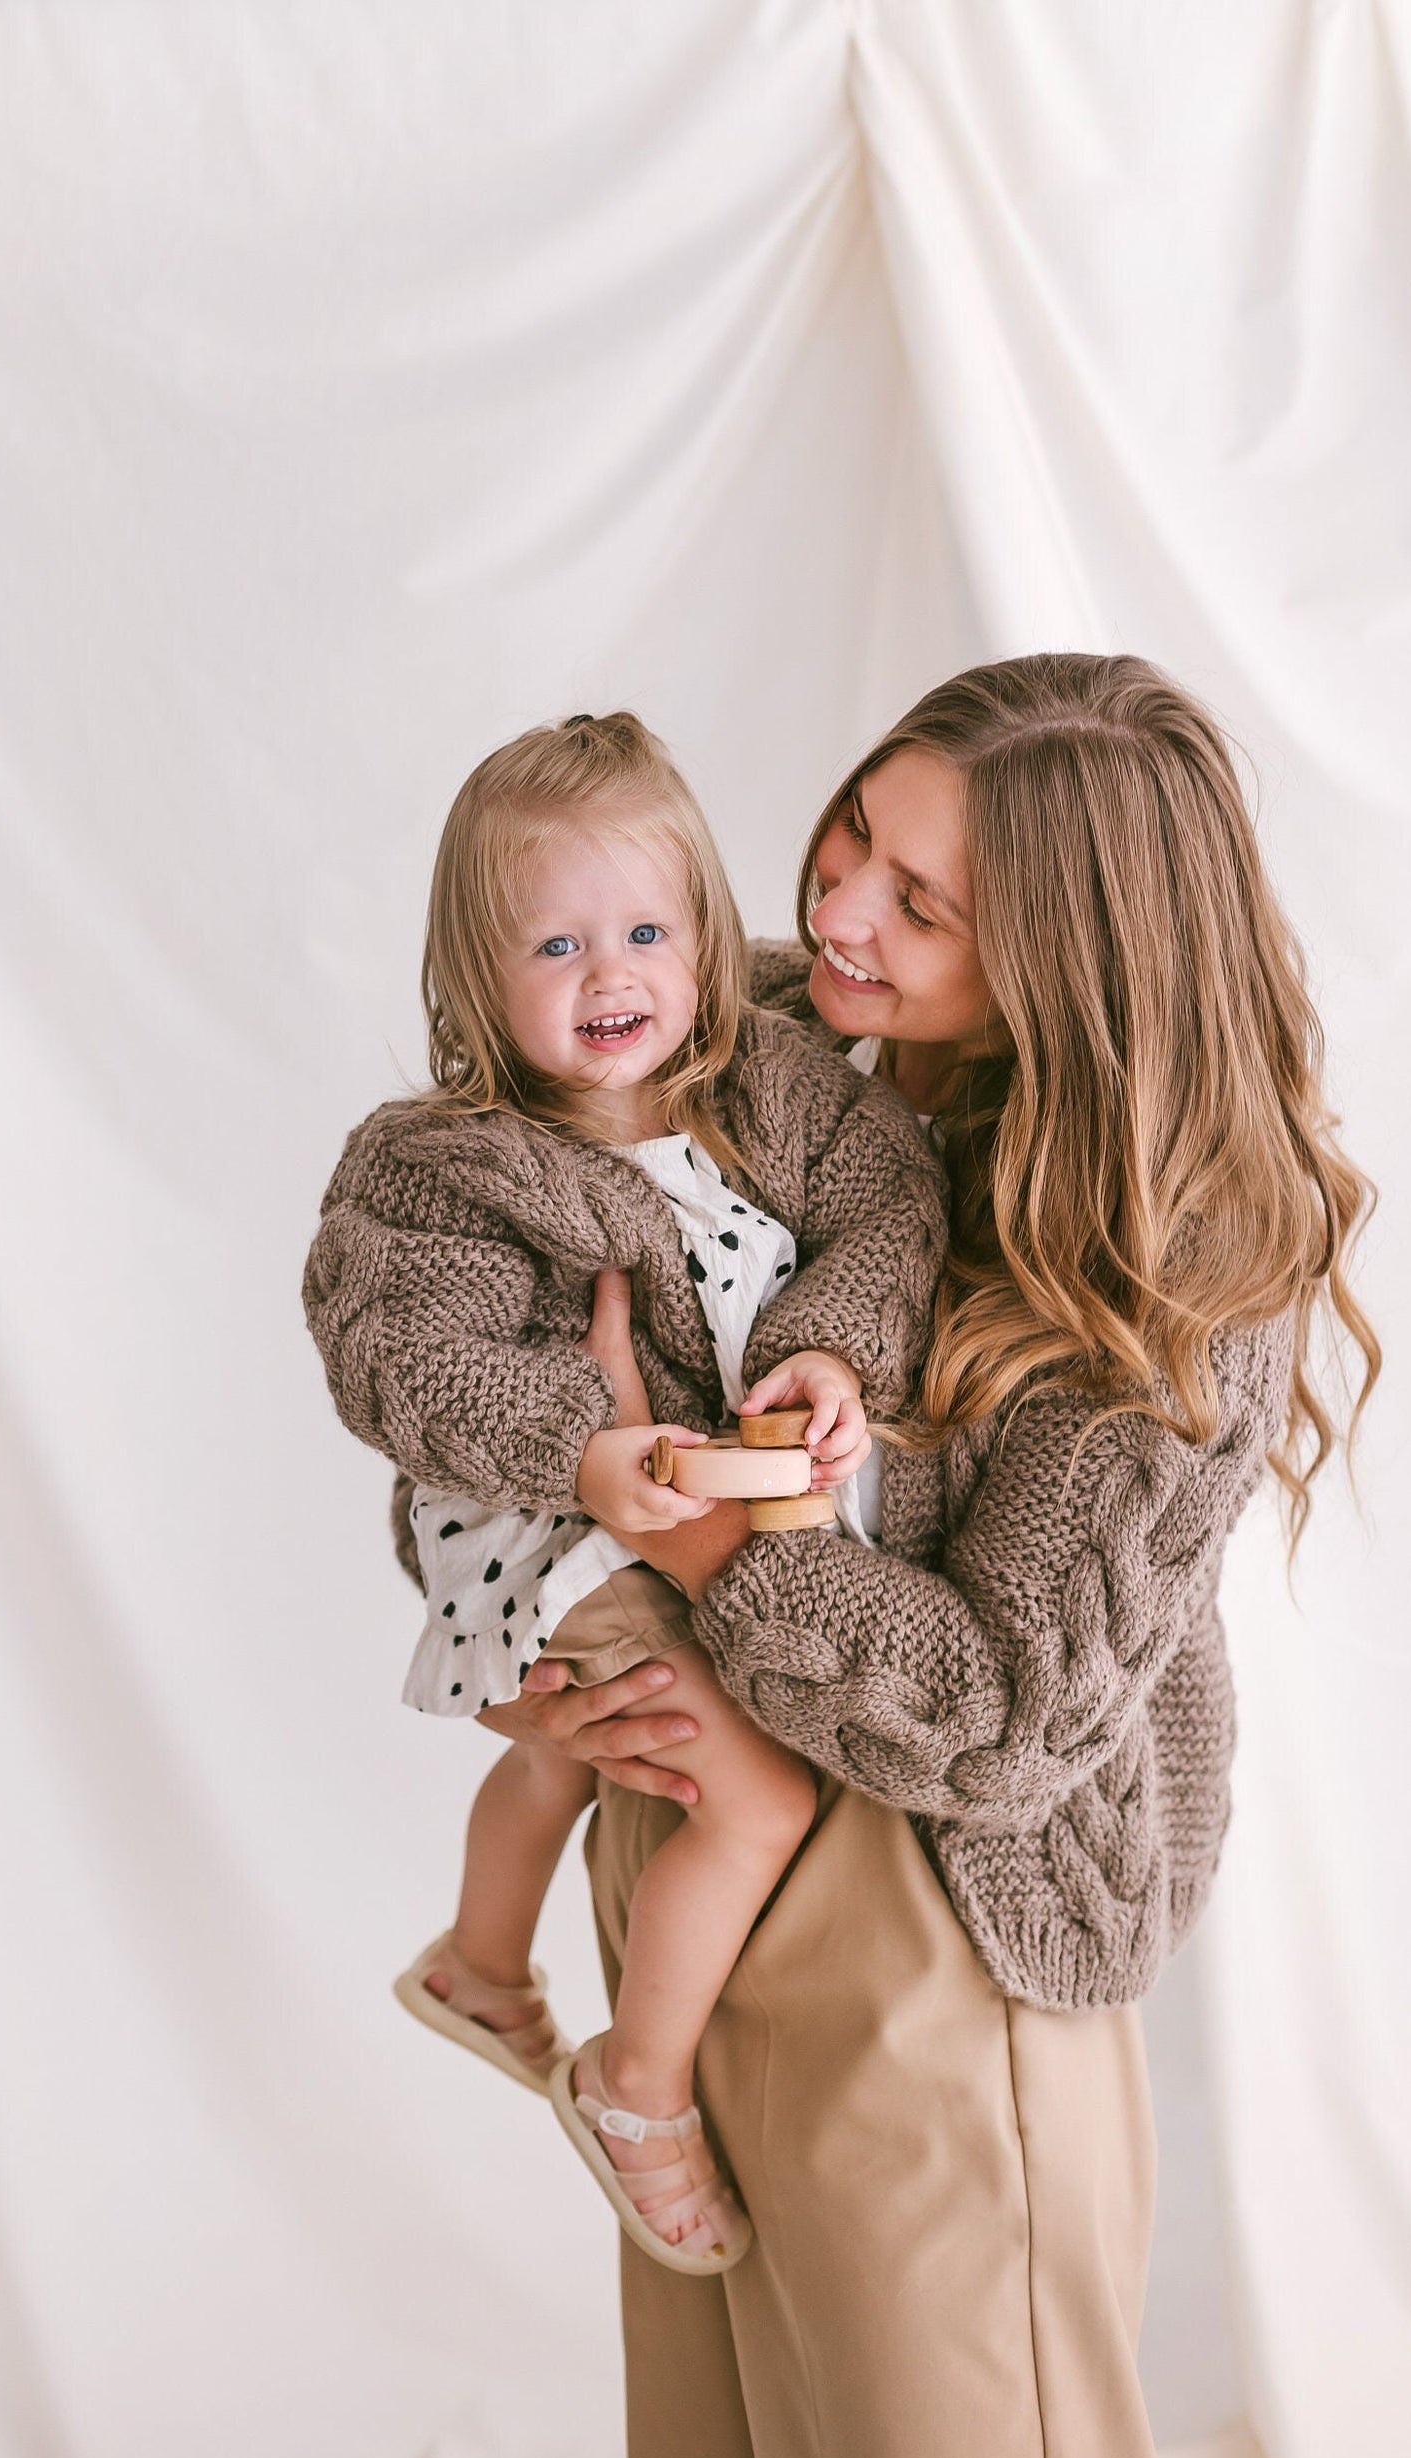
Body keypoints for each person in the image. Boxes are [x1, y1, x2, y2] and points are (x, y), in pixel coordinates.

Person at [479, 656, 1379, 2458]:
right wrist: (524, 1608)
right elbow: (469, 1258)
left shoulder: (1179, 1264)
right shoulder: (749, 1029)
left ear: (1070, 964)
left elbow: (998, 1720)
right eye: (850, 837)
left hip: (940, 1922)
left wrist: (684, 1525)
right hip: (683, 1840)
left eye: (919, 901)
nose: (834, 914)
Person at [301, 711, 946, 2274]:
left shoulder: (770, 1089)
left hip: (699, 1502)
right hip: (549, 1523)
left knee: (579, 1753)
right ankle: (636, 2085)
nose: (612, 973)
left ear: (709, 938)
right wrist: (581, 1448)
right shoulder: (444, 1162)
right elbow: (397, 1356)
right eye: (558, 943)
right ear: (475, 976)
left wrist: (829, 1354)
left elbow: (895, 1209)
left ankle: (477, 1966)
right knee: (752, 1790)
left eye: (648, 932)